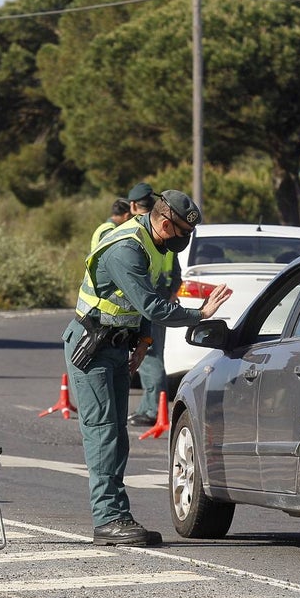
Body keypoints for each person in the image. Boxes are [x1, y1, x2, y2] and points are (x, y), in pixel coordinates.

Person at [63, 189, 232, 546]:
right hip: (91, 346)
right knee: (103, 432)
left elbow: (134, 302)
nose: (184, 240)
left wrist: (143, 342)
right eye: (182, 232)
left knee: (117, 436)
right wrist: (199, 314)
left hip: (117, 344)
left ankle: (117, 515)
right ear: (165, 221)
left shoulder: (152, 244)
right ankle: (108, 519)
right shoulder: (126, 248)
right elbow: (152, 305)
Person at [123, 182, 181, 427]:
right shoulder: (164, 231)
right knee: (154, 354)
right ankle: (154, 408)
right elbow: (176, 271)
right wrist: (169, 293)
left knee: (150, 355)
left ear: (134, 205)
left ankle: (152, 410)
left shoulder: (140, 232)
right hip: (161, 295)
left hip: (147, 298)